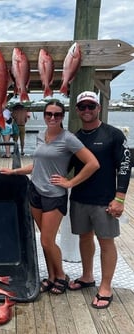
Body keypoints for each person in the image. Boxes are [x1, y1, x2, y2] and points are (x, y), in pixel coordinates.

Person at [0, 100, 99, 295]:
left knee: (47, 240)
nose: (52, 118)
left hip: (54, 195)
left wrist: (70, 183)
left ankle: (61, 275)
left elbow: (93, 163)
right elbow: (37, 165)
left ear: (63, 117)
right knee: (45, 240)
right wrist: (15, 172)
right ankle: (52, 277)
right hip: (35, 191)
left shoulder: (68, 138)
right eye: (49, 114)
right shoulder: (40, 135)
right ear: (44, 115)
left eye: (57, 114)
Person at [68, 91, 131, 309]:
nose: (87, 110)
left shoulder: (113, 134)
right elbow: (64, 167)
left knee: (106, 242)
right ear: (77, 110)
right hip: (79, 198)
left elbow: (124, 166)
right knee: (84, 238)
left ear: (99, 108)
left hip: (105, 201)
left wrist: (120, 198)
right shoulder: (74, 138)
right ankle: (87, 276)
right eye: (82, 107)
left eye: (91, 106)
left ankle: (106, 286)